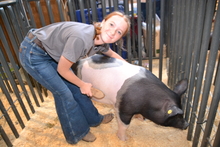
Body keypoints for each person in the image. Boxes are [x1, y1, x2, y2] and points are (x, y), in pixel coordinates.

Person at [18, 11, 130, 144]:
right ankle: (76, 133)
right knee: (64, 94)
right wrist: (83, 84)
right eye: (111, 24)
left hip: (51, 52)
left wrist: (132, 68)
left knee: (75, 88)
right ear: (103, 22)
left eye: (119, 32)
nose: (112, 32)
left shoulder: (100, 40)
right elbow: (63, 69)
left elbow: (111, 54)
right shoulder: (82, 38)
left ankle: (94, 119)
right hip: (34, 52)